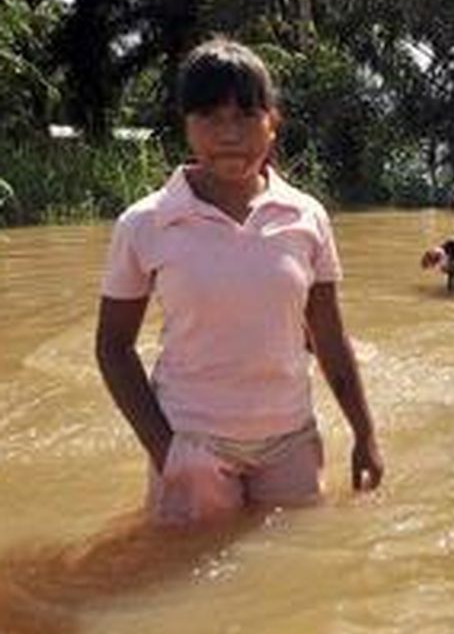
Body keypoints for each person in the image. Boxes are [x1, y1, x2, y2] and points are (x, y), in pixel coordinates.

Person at [95, 38, 383, 527]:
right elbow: (113, 347)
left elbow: (330, 335)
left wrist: (365, 434)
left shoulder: (307, 217)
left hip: (290, 439)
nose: (229, 134)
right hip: (194, 443)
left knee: (294, 570)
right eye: (210, 117)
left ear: (273, 122)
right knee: (182, 580)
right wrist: (166, 452)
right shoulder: (145, 224)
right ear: (186, 125)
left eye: (246, 116)